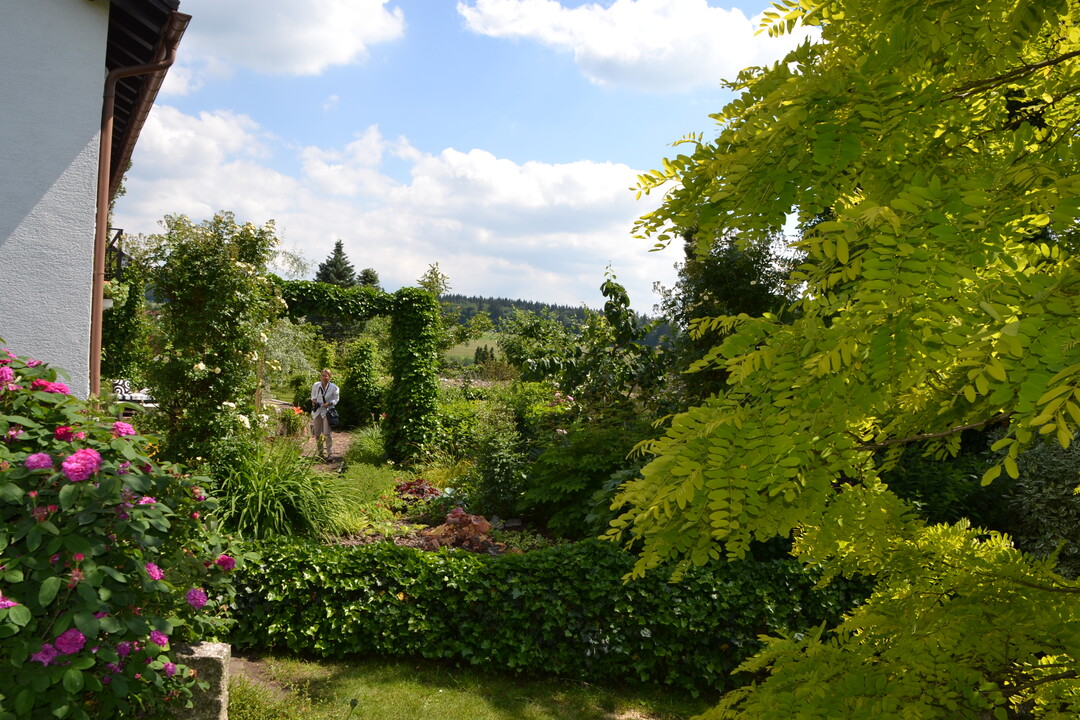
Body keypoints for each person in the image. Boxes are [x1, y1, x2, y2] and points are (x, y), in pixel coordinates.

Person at [310, 368, 339, 461]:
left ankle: (330, 455)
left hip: (327, 411)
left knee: (327, 433)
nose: (324, 377)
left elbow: (336, 399)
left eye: (326, 376)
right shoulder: (316, 385)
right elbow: (313, 396)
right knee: (317, 434)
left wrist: (329, 403)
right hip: (317, 411)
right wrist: (314, 401)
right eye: (322, 375)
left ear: (329, 377)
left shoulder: (334, 387)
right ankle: (320, 454)